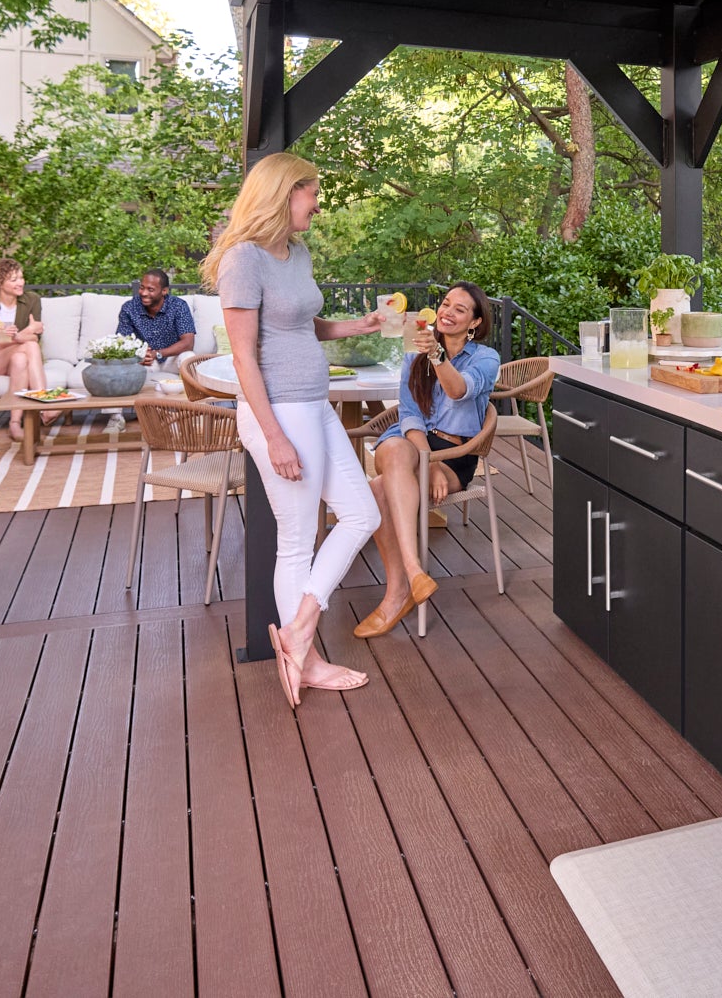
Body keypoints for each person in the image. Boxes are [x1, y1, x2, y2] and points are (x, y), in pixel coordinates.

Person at [204, 152, 385, 707]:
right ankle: (306, 661)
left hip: (316, 404)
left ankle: (300, 629)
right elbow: (243, 358)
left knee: (361, 513)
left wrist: (358, 325)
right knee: (298, 538)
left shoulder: (296, 252)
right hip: (279, 412)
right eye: (311, 192)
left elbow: (302, 325)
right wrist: (275, 436)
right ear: (284, 193)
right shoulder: (243, 259)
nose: (317, 202)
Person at [354, 283, 501, 639]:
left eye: (460, 309)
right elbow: (409, 414)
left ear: (475, 322)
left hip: (454, 454)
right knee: (391, 449)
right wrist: (426, 460)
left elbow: (458, 390)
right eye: (446, 304)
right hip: (413, 443)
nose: (448, 312)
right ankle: (414, 572)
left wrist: (437, 357)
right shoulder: (414, 350)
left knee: (377, 491)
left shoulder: (485, 358)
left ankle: (398, 593)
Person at [0, 258, 50, 442]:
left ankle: (14, 423)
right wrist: (24, 334)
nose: (21, 283)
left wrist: (23, 336)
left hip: (18, 356)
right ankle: (45, 405)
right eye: (14, 279)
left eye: (22, 278)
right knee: (28, 346)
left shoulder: (32, 300)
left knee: (21, 359)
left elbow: (35, 338)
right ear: (0, 282)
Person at [117, 269, 196, 370]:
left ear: (164, 291)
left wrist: (158, 353)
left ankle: (190, 386)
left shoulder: (178, 306)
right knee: (129, 366)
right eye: (142, 288)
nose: (144, 293)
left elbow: (188, 343)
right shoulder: (129, 308)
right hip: (145, 361)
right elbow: (121, 341)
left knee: (188, 357)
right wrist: (139, 355)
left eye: (150, 289)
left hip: (172, 358)